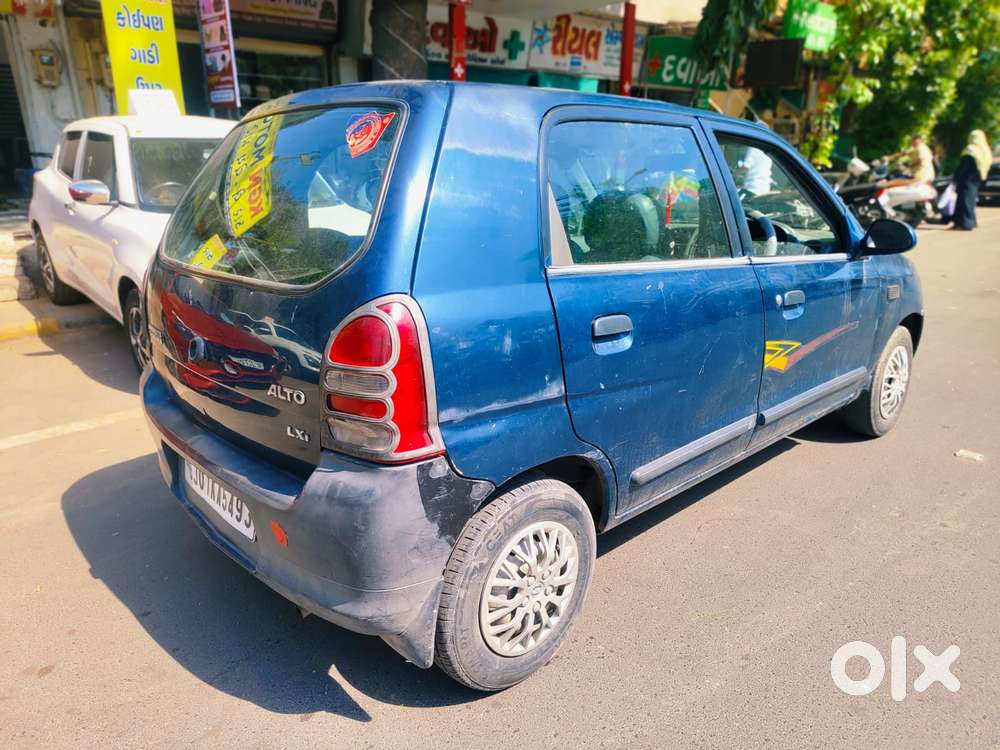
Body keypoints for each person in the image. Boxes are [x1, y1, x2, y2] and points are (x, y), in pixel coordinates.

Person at [876, 134, 937, 219]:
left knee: (889, 184)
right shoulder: (925, 149)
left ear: (918, 140)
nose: (912, 143)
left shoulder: (919, 148)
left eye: (914, 141)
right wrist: (909, 165)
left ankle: (886, 209)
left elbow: (907, 154)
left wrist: (889, 158)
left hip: (919, 179)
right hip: (927, 179)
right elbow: (919, 159)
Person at [950, 129, 992, 231]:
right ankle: (970, 222)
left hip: (966, 179)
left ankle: (965, 223)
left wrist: (955, 177)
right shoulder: (984, 150)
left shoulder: (970, 149)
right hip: (976, 180)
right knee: (971, 201)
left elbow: (964, 166)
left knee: (964, 201)